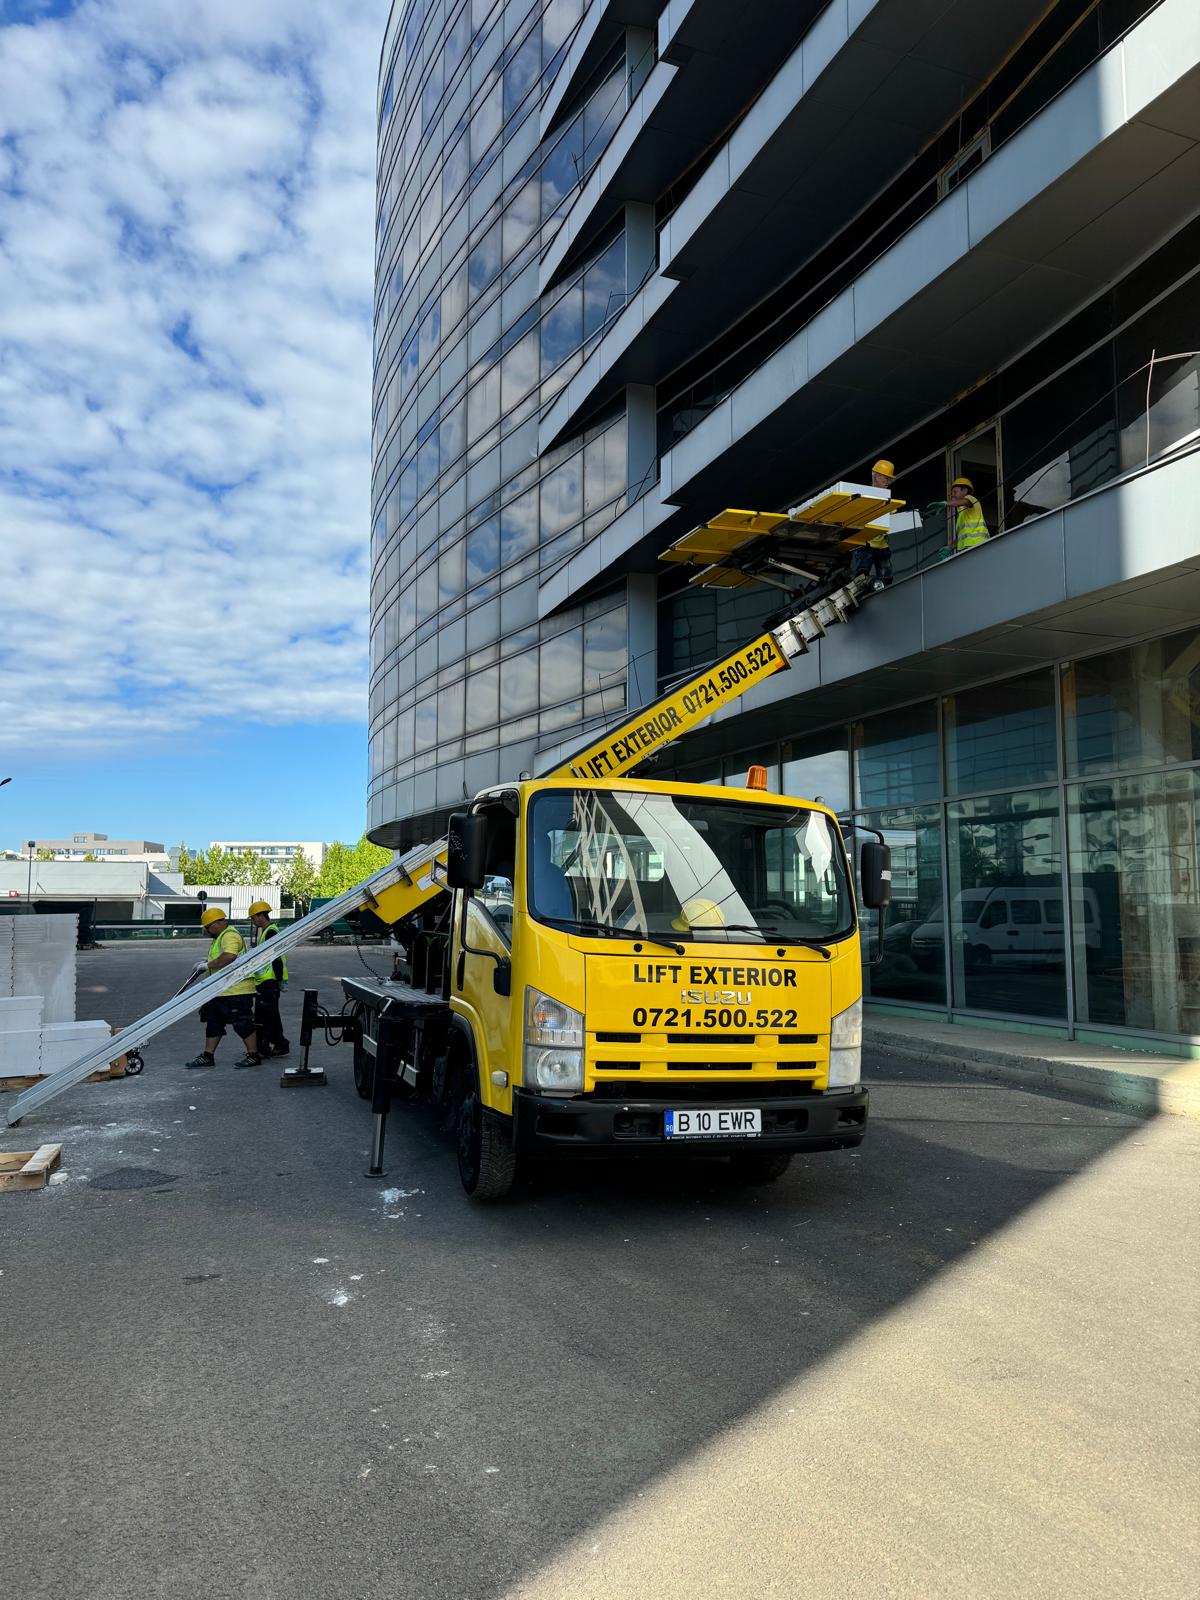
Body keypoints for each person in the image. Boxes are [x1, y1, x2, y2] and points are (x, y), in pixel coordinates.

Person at [185, 907, 262, 1070]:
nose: (207, 931)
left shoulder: (230, 936)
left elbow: (229, 956)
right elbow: (219, 957)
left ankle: (253, 1055)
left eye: (208, 927)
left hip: (236, 990)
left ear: (218, 923)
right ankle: (208, 1056)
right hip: (221, 990)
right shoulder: (220, 937)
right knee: (214, 1023)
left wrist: (207, 965)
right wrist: (205, 963)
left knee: (242, 1023)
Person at [248, 899, 290, 1058]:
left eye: (253, 917)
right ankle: (280, 1044)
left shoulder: (270, 932)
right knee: (272, 1015)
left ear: (260, 916)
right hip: (267, 981)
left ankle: (265, 1046)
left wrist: (279, 980)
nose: (253, 921)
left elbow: (276, 958)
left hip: (269, 981)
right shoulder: (266, 931)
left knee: (265, 1016)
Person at [850, 459, 896, 590]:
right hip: (865, 544)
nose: (888, 482)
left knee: (886, 578)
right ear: (876, 476)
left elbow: (893, 519)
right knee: (861, 576)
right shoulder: (864, 496)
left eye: (889, 479)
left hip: (881, 544)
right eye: (886, 478)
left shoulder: (888, 499)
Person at [948, 475, 989, 552]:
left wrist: (945, 504)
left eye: (955, 492)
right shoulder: (962, 514)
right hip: (967, 548)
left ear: (965, 491)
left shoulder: (970, 498)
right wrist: (949, 548)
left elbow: (965, 502)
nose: (952, 495)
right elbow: (961, 536)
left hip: (977, 545)